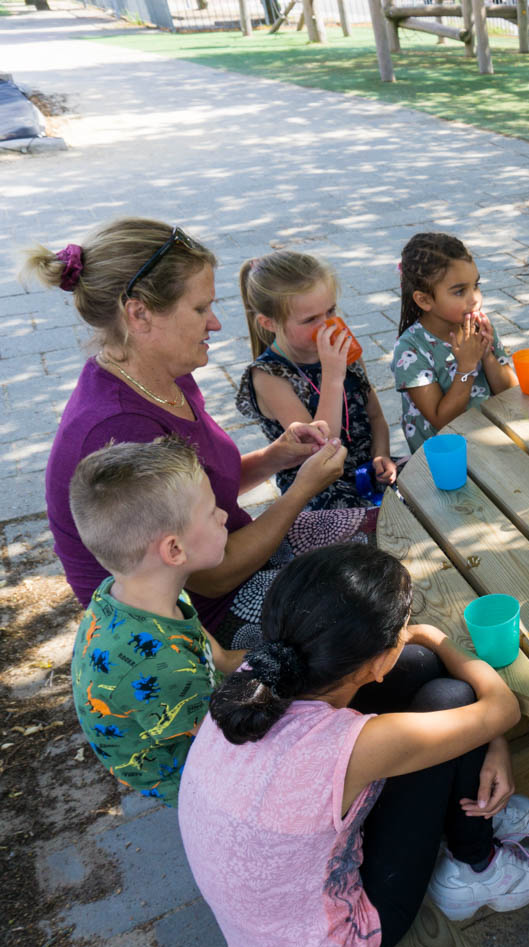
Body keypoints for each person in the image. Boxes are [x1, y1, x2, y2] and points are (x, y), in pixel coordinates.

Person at [178, 544, 529, 947]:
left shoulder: (256, 678)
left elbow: (466, 705)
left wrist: (489, 738)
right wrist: (434, 636)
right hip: (328, 946)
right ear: (376, 661)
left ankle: (469, 810)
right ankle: (476, 868)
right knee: (453, 696)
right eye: (402, 626)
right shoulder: (351, 744)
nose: (408, 630)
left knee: (421, 669)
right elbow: (502, 708)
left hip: (269, 921)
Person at [30, 218, 349, 649]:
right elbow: (212, 576)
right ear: (139, 314)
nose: (215, 323)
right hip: (194, 627)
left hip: (235, 557)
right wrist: (301, 491)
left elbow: (202, 491)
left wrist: (277, 456)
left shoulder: (162, 372)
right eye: (200, 309)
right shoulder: (120, 428)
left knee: (384, 532)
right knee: (364, 608)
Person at [67, 438, 242, 805]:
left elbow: (212, 653)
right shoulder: (166, 668)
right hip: (200, 781)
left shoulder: (134, 592)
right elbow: (230, 740)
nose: (224, 515)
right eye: (212, 511)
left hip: (190, 715)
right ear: (174, 550)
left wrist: (235, 661)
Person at [236, 250, 397, 515]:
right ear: (269, 323)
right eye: (310, 319)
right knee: (376, 526)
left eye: (330, 310)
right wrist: (333, 376)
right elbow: (322, 450)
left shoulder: (343, 352)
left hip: (365, 471)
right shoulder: (269, 377)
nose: (327, 325)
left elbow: (376, 417)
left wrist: (382, 455)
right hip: (317, 488)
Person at [391, 232, 519, 454]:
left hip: (491, 440)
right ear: (424, 300)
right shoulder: (411, 349)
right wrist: (467, 367)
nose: (474, 298)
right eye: (460, 291)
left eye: (476, 285)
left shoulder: (478, 326)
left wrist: (486, 354)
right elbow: (443, 421)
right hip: (447, 458)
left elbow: (510, 392)